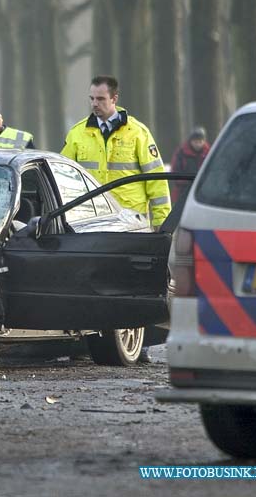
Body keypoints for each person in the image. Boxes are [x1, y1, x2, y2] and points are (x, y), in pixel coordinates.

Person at [62, 76, 171, 364]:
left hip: (130, 224)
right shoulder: (77, 135)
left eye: (100, 99)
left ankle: (139, 344)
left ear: (115, 99)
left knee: (133, 286)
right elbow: (62, 178)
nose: (95, 104)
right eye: (91, 99)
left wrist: (161, 222)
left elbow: (157, 182)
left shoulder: (138, 134)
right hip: (88, 222)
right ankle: (88, 341)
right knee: (92, 282)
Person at [169, 126, 210, 202]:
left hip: (203, 192)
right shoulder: (181, 153)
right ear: (190, 141)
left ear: (204, 141)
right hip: (182, 192)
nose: (198, 144)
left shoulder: (209, 153)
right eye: (196, 142)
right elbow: (175, 172)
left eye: (200, 142)